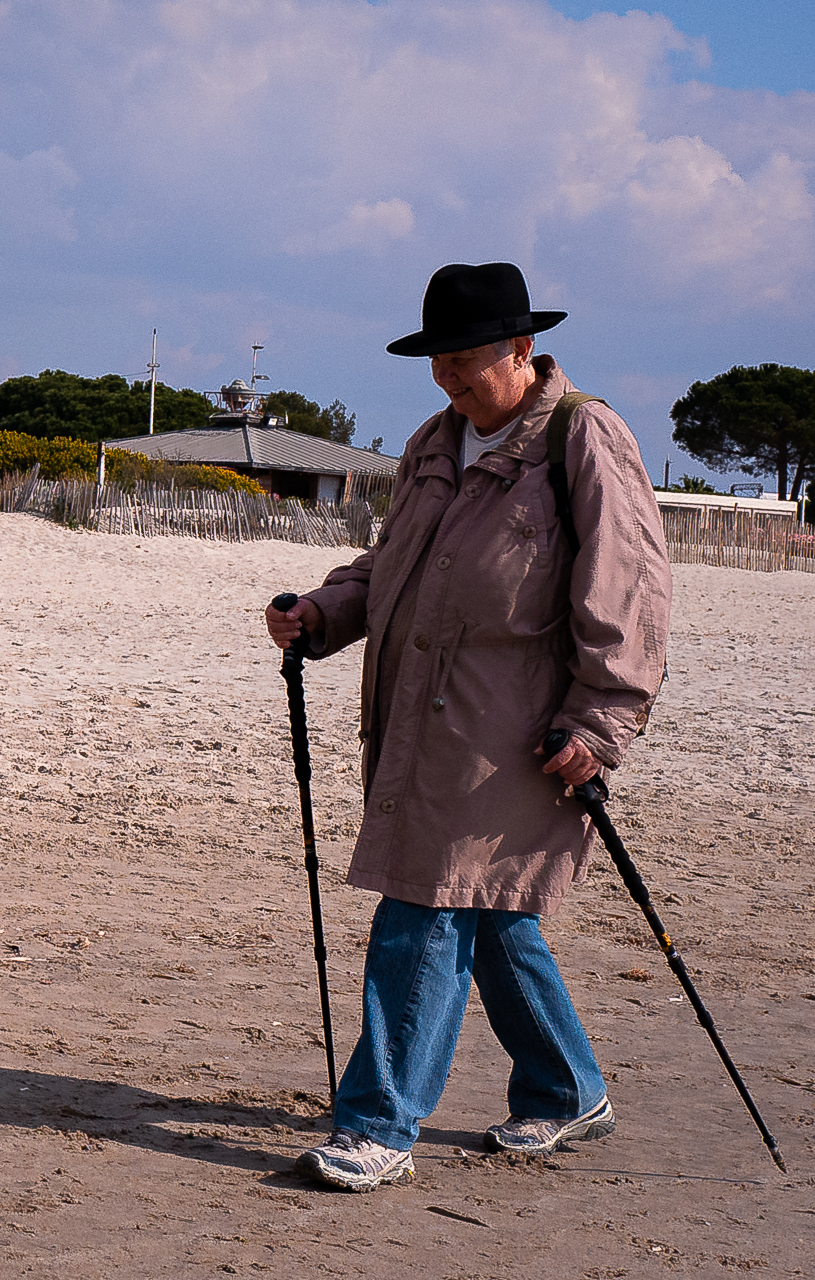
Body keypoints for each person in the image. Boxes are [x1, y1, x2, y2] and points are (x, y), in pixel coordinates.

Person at [265, 261, 671, 1192]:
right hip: (414, 722)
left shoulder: (583, 437)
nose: (449, 377)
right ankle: (568, 1091)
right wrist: (323, 614)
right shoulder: (433, 443)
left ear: (521, 350)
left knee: (427, 907)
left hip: (519, 736)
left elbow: (631, 589)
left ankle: (378, 1125)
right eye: (437, 360)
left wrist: (601, 723)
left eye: (466, 360)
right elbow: (393, 564)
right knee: (487, 913)